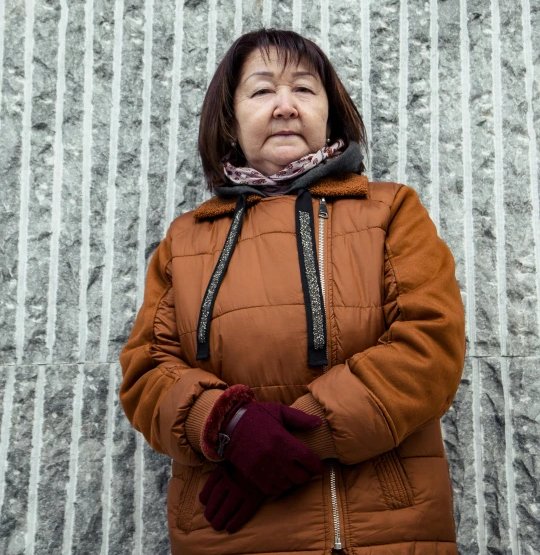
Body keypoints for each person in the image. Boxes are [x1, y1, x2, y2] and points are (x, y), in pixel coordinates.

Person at [119, 28, 466, 555]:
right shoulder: (187, 238)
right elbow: (147, 370)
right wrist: (228, 425)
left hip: (385, 532)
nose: (285, 106)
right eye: (261, 91)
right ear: (230, 120)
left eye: (304, 89)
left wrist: (293, 442)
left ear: (329, 111)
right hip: (227, 534)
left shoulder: (391, 210)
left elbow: (430, 345)